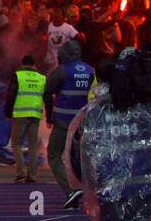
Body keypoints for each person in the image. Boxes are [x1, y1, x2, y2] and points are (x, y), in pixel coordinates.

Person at [67, 52, 151, 221]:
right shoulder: (149, 106)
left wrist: (87, 183)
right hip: (146, 184)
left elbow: (80, 152)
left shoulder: (94, 110)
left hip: (111, 186)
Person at [44, 39, 94, 209]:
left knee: (54, 155)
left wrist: (49, 117)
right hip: (82, 121)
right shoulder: (89, 70)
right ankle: (88, 191)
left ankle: (71, 190)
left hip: (64, 121)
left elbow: (48, 92)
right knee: (76, 157)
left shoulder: (62, 71)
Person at [6, 55, 44, 183]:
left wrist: (7, 112)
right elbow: (48, 98)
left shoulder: (18, 76)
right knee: (33, 145)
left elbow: (11, 95)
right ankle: (32, 175)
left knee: (16, 143)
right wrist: (50, 117)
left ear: (22, 64)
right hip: (35, 114)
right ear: (34, 65)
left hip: (21, 114)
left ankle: (21, 172)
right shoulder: (41, 78)